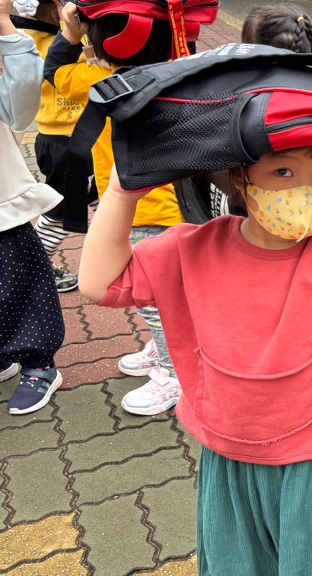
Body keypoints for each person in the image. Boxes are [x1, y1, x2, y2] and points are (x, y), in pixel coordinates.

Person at [78, 89, 312, 574]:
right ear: (241, 177)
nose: (304, 190)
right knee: (235, 561)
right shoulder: (191, 248)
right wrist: (123, 191)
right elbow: (97, 283)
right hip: (227, 447)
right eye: (283, 172)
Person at [45, 0, 186, 415]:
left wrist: (71, 34)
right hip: (171, 207)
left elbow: (54, 71)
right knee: (162, 296)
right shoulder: (177, 74)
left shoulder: (98, 81)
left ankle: (175, 373)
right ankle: (165, 349)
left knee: (153, 301)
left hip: (140, 213)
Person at [0, 0, 65, 415]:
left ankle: (39, 363)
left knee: (19, 284)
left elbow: (22, 103)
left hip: (2, 207)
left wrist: (4, 25)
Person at [17, 0, 87, 292]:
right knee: (60, 213)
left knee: (98, 200)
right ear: (52, 10)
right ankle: (32, 271)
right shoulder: (45, 43)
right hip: (66, 142)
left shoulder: (27, 38)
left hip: (68, 139)